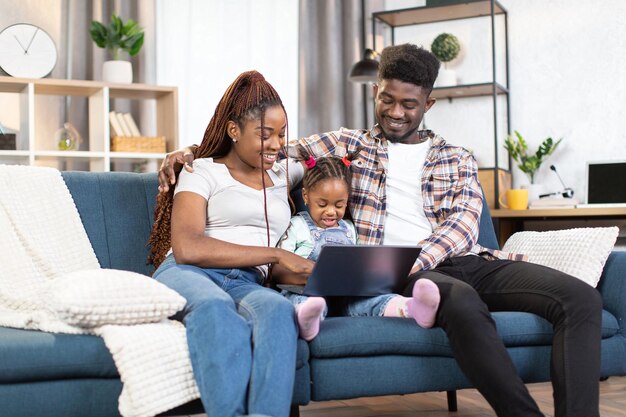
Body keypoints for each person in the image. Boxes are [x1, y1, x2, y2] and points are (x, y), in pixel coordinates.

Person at [158, 45, 602, 417]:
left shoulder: (458, 157)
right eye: (387, 99)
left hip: (458, 260)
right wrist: (191, 151)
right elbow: (266, 148)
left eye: (408, 104)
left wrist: (416, 258)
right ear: (376, 92)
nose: (395, 112)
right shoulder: (349, 143)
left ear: (427, 104)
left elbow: (462, 226)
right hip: (397, 271)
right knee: (460, 302)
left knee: (580, 298)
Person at [148, 70, 314, 417]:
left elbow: (330, 154)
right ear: (234, 131)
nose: (275, 144)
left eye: (281, 134)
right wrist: (277, 254)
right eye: (264, 134)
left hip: (246, 280)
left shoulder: (287, 173)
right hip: (189, 273)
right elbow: (188, 247)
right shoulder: (202, 171)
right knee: (212, 307)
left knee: (278, 310)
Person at [274, 147, 440, 341]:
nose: (331, 212)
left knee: (370, 300)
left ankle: (409, 308)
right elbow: (279, 270)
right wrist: (310, 276)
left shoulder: (348, 228)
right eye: (322, 204)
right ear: (305, 196)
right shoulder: (296, 226)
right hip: (307, 291)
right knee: (305, 301)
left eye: (339, 205)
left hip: (346, 295)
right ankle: (308, 319)